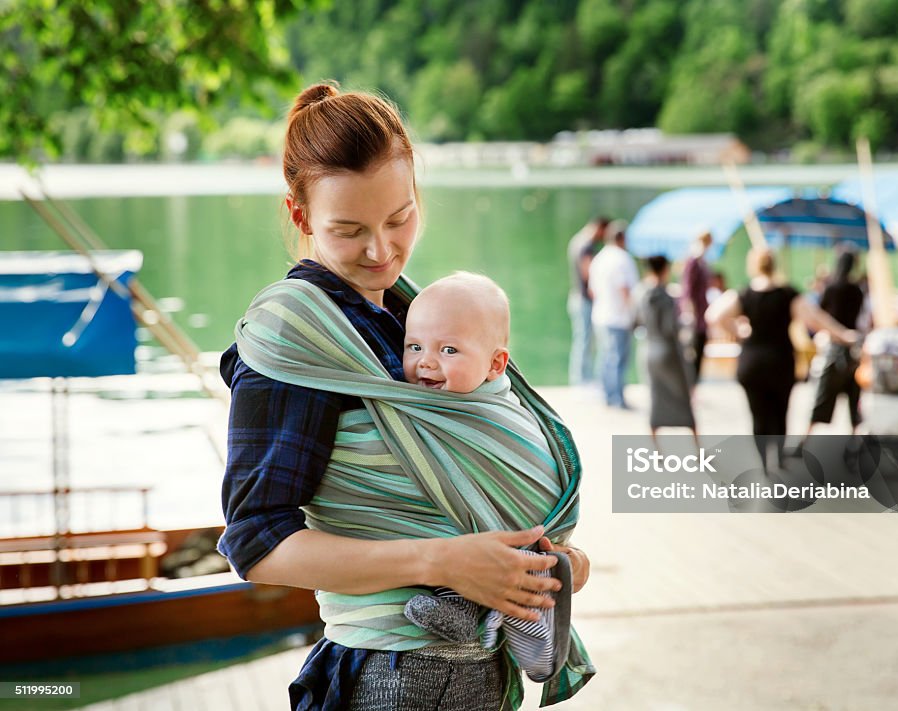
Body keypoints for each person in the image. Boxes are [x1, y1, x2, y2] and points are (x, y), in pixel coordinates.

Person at [218, 82, 593, 711]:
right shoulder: (296, 344)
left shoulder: (410, 317)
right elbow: (258, 544)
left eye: (400, 218)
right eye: (349, 230)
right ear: (301, 217)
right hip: (386, 676)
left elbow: (460, 476)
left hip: (477, 667)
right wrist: (445, 563)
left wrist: (548, 561)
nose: (382, 250)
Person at [396, 272, 574, 683]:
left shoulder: (494, 410)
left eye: (450, 350)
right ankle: (467, 609)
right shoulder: (425, 402)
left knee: (488, 534)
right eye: (415, 346)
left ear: (496, 365)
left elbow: (528, 464)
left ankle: (484, 614)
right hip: (471, 549)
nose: (425, 361)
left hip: (518, 542)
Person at [705, 248, 857, 472]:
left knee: (758, 416)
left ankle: (764, 464)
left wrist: (738, 331)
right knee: (779, 414)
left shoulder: (743, 294)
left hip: (752, 362)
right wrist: (843, 335)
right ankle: (777, 458)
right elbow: (816, 320)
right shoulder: (788, 294)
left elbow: (713, 315)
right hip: (780, 362)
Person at [799, 249, 865, 444]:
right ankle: (855, 440)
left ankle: (805, 439)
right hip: (853, 347)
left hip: (833, 346)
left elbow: (820, 316)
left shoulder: (830, 288)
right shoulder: (857, 290)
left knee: (822, 395)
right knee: (854, 397)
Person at [639, 256, 696, 441]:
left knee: (656, 399)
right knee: (684, 399)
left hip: (649, 349)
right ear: (665, 270)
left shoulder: (641, 294)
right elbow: (671, 326)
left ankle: (656, 449)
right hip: (668, 350)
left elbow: (635, 322)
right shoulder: (666, 296)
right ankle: (697, 448)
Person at [588, 222, 639, 408]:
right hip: (619, 316)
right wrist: (634, 314)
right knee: (618, 358)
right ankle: (617, 398)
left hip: (600, 314)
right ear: (623, 238)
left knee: (605, 357)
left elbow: (591, 290)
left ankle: (607, 395)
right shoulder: (622, 259)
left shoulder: (598, 259)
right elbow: (624, 288)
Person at [566, 217, 610, 386]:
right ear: (599, 228)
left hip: (576, 297)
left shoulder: (576, 241)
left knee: (581, 339)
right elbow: (588, 274)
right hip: (584, 300)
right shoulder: (586, 246)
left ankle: (580, 379)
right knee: (585, 341)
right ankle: (582, 380)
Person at [680, 230, 713, 382]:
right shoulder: (693, 262)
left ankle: (694, 386)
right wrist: (690, 313)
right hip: (695, 315)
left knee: (699, 350)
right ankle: (690, 387)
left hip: (702, 313)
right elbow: (688, 290)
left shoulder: (702, 262)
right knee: (692, 351)